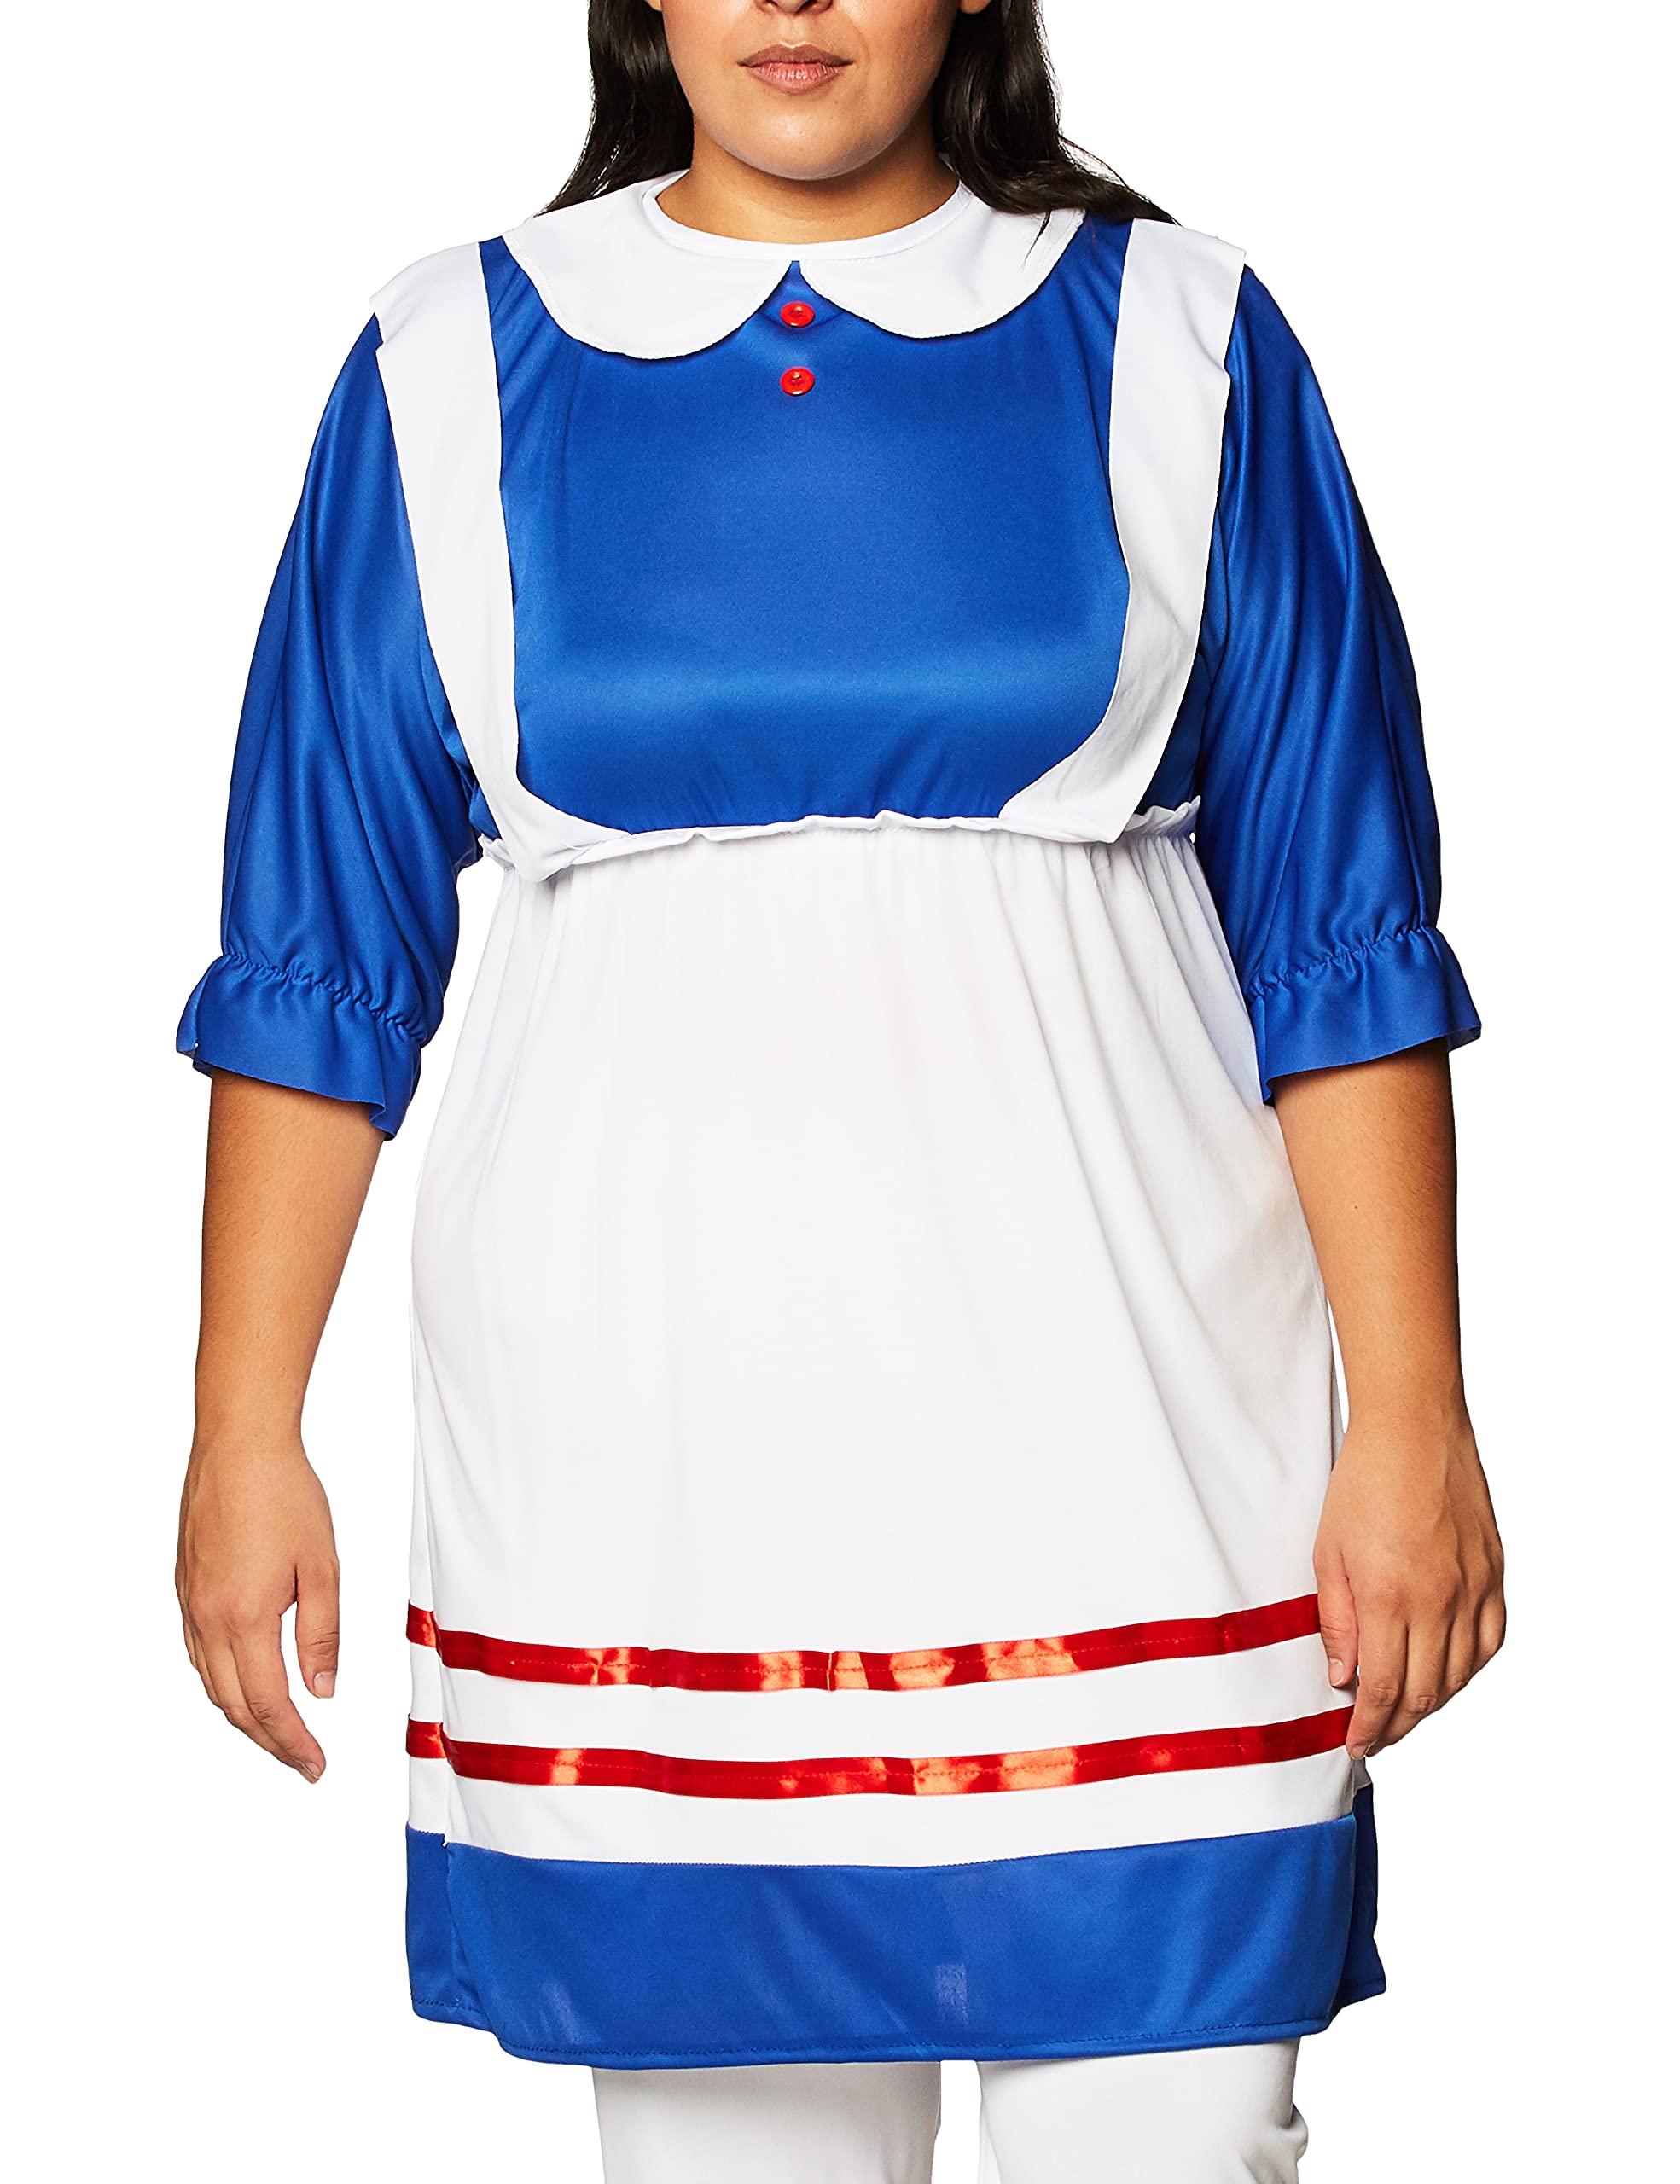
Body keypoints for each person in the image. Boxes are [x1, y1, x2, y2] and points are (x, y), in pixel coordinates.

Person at [173, 2, 1506, 2176]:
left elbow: (1337, 928)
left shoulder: (1188, 339)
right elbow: (317, 945)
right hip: (651, 1478)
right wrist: (244, 1431)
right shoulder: (443, 361)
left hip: (1144, 1456)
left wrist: (1417, 1418)